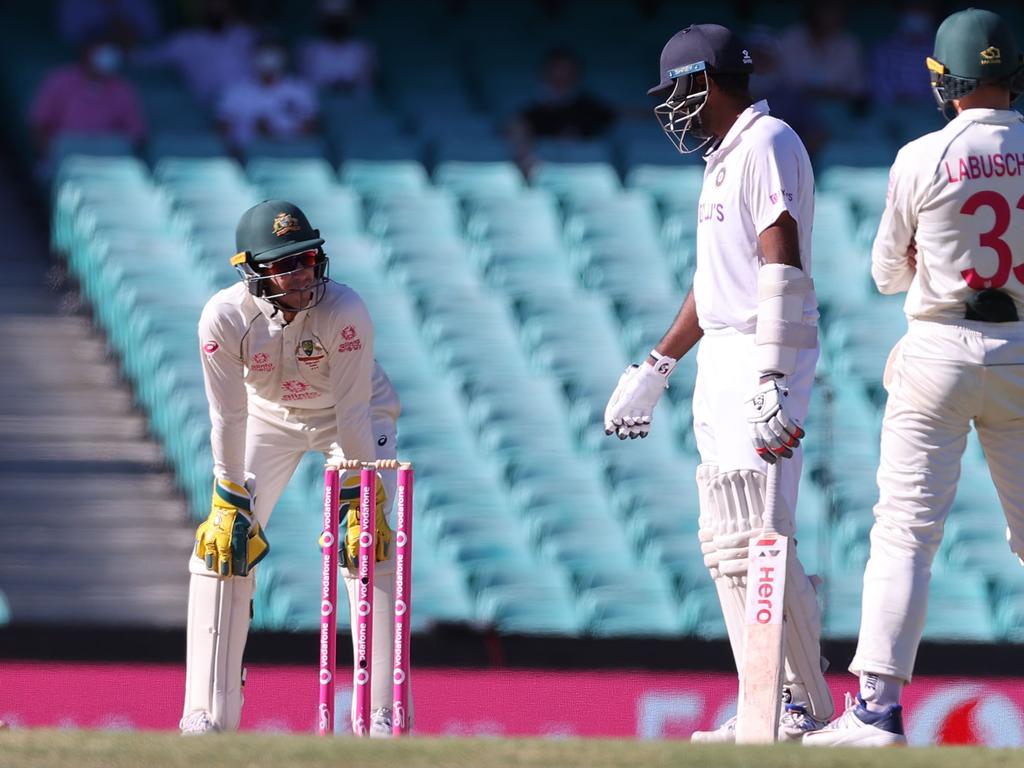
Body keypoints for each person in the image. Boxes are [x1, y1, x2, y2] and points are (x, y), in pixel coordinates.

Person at [602, 24, 834, 742]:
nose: (670, 106)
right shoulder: (723, 158)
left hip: (762, 356)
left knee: (761, 533)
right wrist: (656, 366)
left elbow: (781, 265)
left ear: (705, 81)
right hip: (724, 357)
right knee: (725, 539)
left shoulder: (768, 143)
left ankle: (804, 703)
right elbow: (713, 284)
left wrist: (772, 374)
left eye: (676, 90)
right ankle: (764, 696)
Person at [805, 8, 1024, 747]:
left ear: (947, 80)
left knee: (904, 533)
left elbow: (884, 273)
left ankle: (876, 708)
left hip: (938, 345)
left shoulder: (921, 156)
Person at [181, 200, 403, 737]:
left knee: (365, 544)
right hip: (266, 420)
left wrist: (359, 494)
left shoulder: (345, 309)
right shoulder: (223, 317)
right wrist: (228, 496)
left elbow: (352, 410)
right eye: (287, 265)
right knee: (221, 544)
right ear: (253, 271)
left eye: (308, 259)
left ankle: (378, 713)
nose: (304, 274)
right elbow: (228, 414)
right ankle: (205, 712)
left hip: (350, 416)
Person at [29, 35, 146, 157]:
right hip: (65, 158)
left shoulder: (124, 89)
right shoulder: (59, 81)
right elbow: (39, 125)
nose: (107, 55)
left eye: (110, 50)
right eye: (100, 50)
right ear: (86, 52)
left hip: (109, 160)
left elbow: (136, 135)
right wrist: (51, 155)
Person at [217, 38, 319, 152]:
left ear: (283, 56)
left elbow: (311, 124)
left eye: (272, 51)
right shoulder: (235, 90)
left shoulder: (300, 88)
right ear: (252, 57)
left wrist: (276, 135)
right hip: (249, 154)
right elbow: (224, 127)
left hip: (292, 152)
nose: (268, 57)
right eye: (263, 52)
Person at [299, 0, 378, 94]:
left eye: (340, 18)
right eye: (331, 18)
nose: (336, 23)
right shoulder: (309, 49)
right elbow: (305, 87)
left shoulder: (364, 49)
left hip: (357, 104)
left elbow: (368, 86)